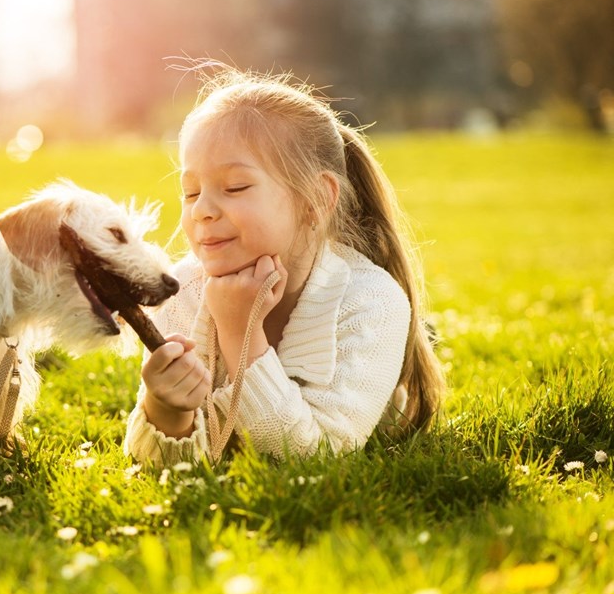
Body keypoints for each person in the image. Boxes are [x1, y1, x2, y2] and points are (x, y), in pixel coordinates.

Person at [124, 67, 445, 465]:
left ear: (315, 199)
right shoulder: (182, 291)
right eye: (190, 193)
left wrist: (242, 334)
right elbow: (159, 467)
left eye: (235, 187)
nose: (202, 210)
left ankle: (421, 340)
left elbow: (316, 458)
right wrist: (166, 409)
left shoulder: (371, 301)